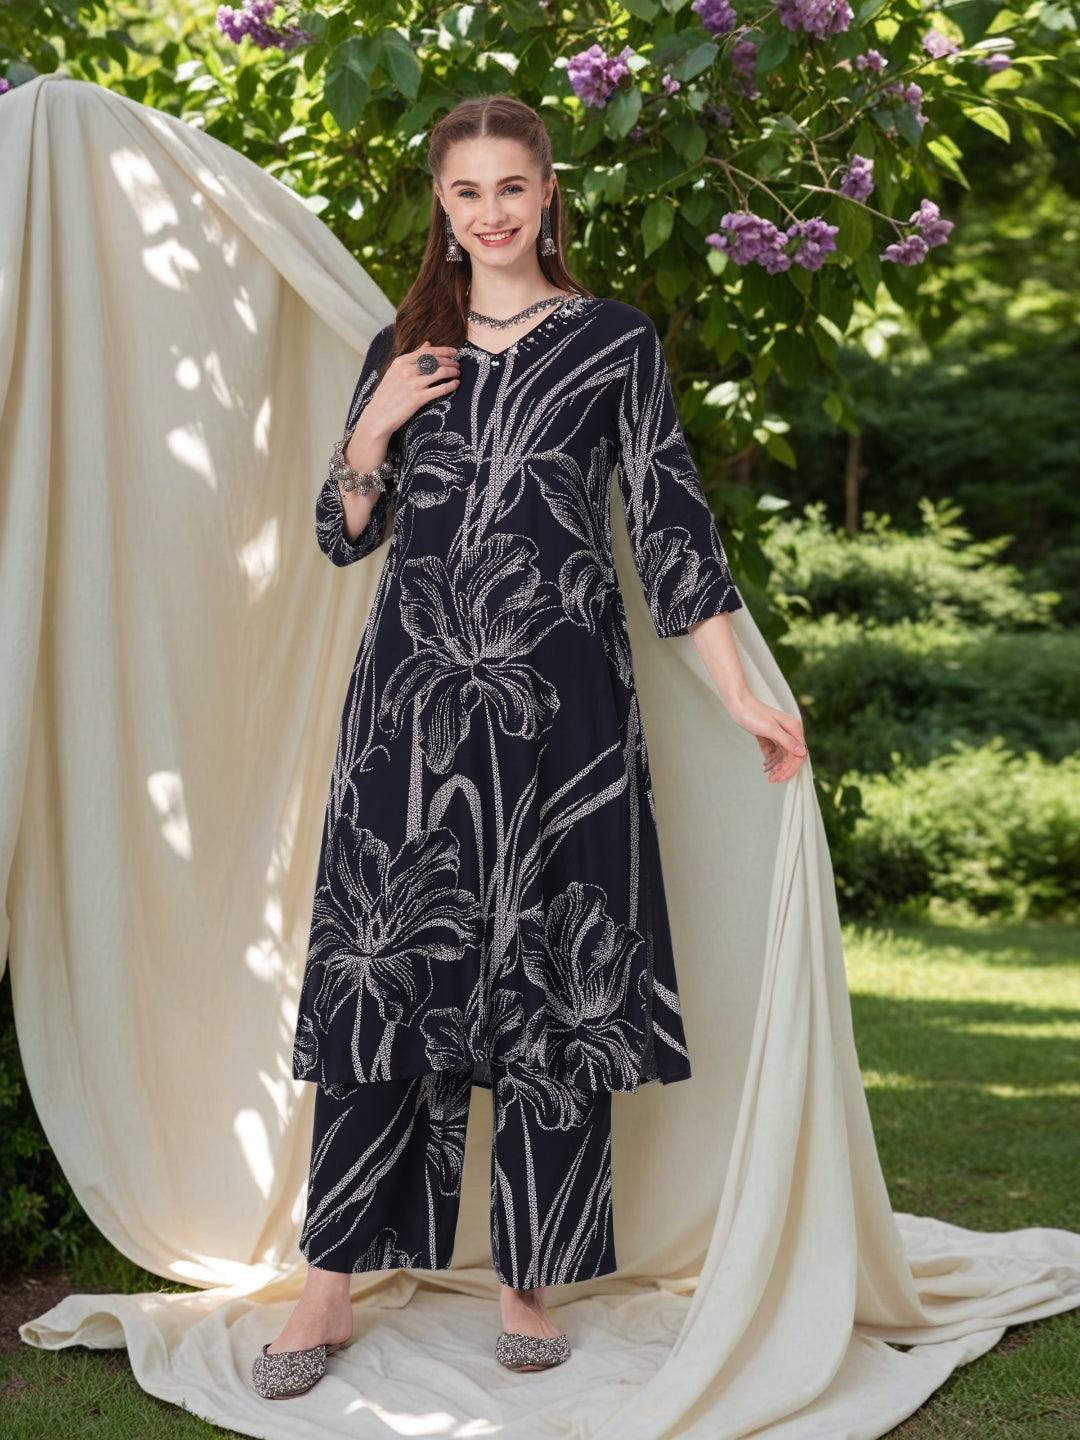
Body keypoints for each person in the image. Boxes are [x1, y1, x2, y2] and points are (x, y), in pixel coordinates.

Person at [252, 92, 808, 1401]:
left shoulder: (615, 341)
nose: (491, 212)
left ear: (548, 192)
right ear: (441, 208)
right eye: (467, 192)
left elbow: (670, 524)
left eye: (512, 187)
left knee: (558, 971)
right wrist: (373, 428)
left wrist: (740, 696)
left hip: (566, 710)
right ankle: (328, 1285)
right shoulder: (406, 345)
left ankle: (530, 1276)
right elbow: (342, 535)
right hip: (410, 709)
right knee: (386, 969)